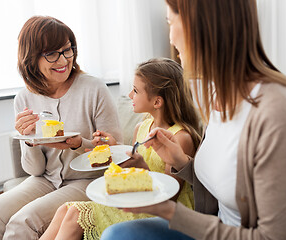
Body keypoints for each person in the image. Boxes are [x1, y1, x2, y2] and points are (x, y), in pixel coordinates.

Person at [100, 0, 286, 240]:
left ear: (198, 28)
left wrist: (168, 210)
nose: (170, 38)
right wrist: (181, 163)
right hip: (212, 228)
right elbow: (220, 188)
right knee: (116, 234)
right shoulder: (218, 99)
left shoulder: (282, 112)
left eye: (171, 22)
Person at [0, 16, 122, 240]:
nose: (63, 60)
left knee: (22, 224)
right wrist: (28, 140)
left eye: (67, 50)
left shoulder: (94, 88)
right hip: (44, 179)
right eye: (52, 54)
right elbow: (35, 170)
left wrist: (79, 144)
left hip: (88, 180)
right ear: (31, 58)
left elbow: (116, 153)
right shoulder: (24, 98)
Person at [39, 58, 202, 240]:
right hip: (137, 199)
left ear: (157, 102)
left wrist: (142, 166)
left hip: (164, 213)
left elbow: (168, 198)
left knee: (75, 214)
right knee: (65, 209)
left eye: (136, 90)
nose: (130, 95)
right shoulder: (141, 128)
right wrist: (113, 149)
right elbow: (130, 170)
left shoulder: (180, 137)